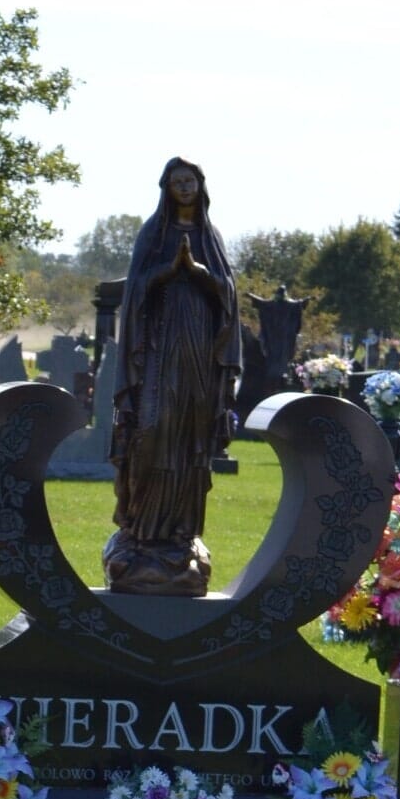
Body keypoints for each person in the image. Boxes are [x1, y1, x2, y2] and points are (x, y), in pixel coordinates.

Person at [105, 158, 241, 595]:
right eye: (177, 181)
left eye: (191, 180)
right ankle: (140, 529)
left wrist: (200, 273)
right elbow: (136, 288)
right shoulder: (155, 233)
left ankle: (182, 532)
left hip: (199, 350)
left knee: (188, 438)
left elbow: (228, 294)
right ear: (166, 188)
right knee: (153, 430)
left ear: (201, 186)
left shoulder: (209, 236)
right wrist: (168, 270)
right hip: (159, 352)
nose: (185, 187)